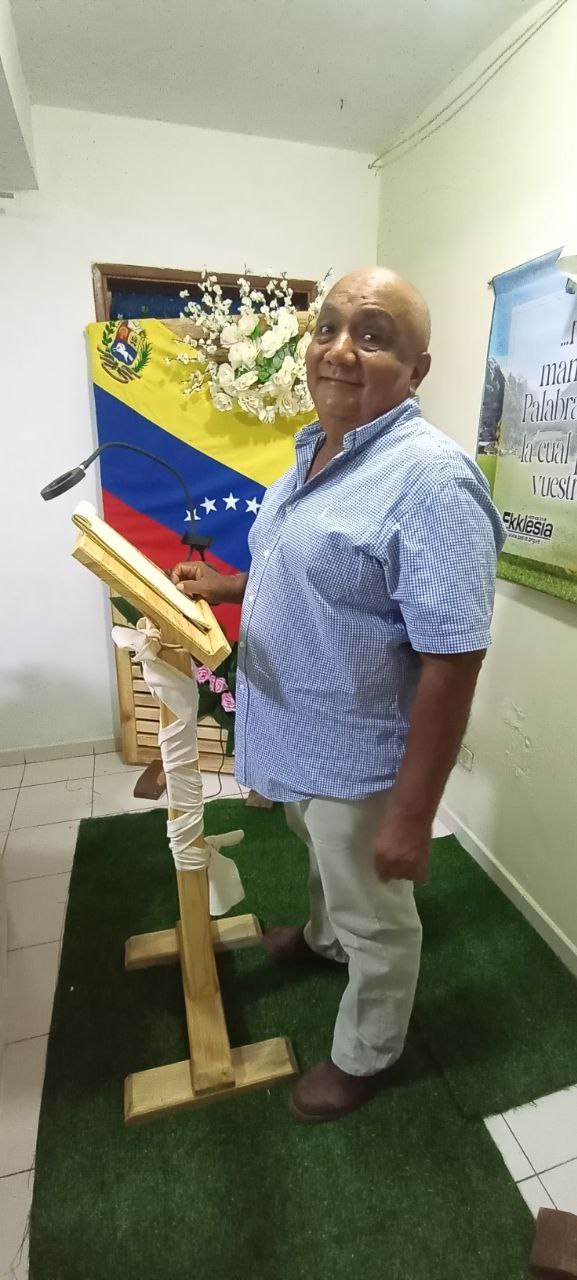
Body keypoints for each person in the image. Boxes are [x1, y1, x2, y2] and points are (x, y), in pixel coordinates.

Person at [171, 267, 505, 1124]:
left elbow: (453, 660)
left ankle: (366, 1053)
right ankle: (323, 941)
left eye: (373, 334)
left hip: (360, 758)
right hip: (296, 735)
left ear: (416, 370)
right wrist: (227, 584)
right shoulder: (312, 452)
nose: (340, 349)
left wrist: (410, 817)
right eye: (328, 328)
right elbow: (311, 570)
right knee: (322, 860)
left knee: (378, 920)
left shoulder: (429, 481)